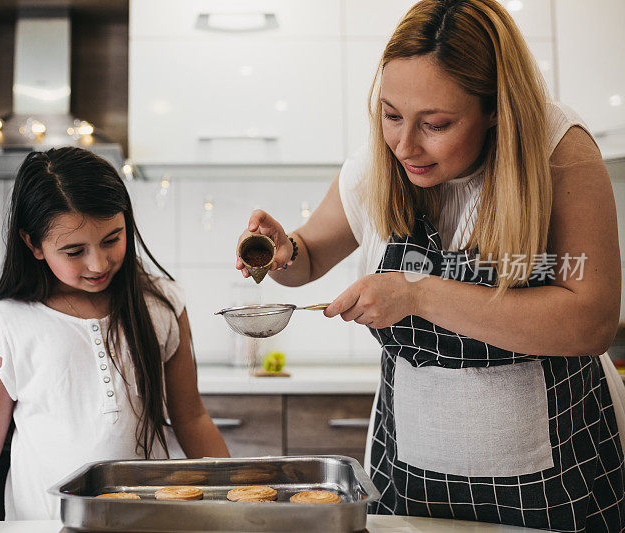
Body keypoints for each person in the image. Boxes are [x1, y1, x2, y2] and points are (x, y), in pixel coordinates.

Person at [235, 0, 624, 531]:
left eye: (436, 124)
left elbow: (591, 321)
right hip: (412, 486)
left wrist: (418, 293)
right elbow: (304, 258)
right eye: (391, 115)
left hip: (558, 489)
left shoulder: (558, 150)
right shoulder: (377, 162)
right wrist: (282, 252)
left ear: (496, 111)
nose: (405, 144)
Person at [0, 147, 229, 532]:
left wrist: (236, 497)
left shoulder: (162, 303)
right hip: (45, 523)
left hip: (153, 520)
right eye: (74, 251)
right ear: (33, 244)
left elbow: (191, 418)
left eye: (112, 239)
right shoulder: (4, 323)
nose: (98, 263)